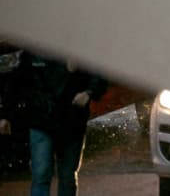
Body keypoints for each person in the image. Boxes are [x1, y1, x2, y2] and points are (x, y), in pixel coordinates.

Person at [0, 51, 107, 196]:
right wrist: (6, 115)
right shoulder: (32, 53)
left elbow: (99, 74)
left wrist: (89, 92)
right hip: (41, 122)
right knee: (41, 175)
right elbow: (15, 83)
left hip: (72, 122)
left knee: (67, 177)